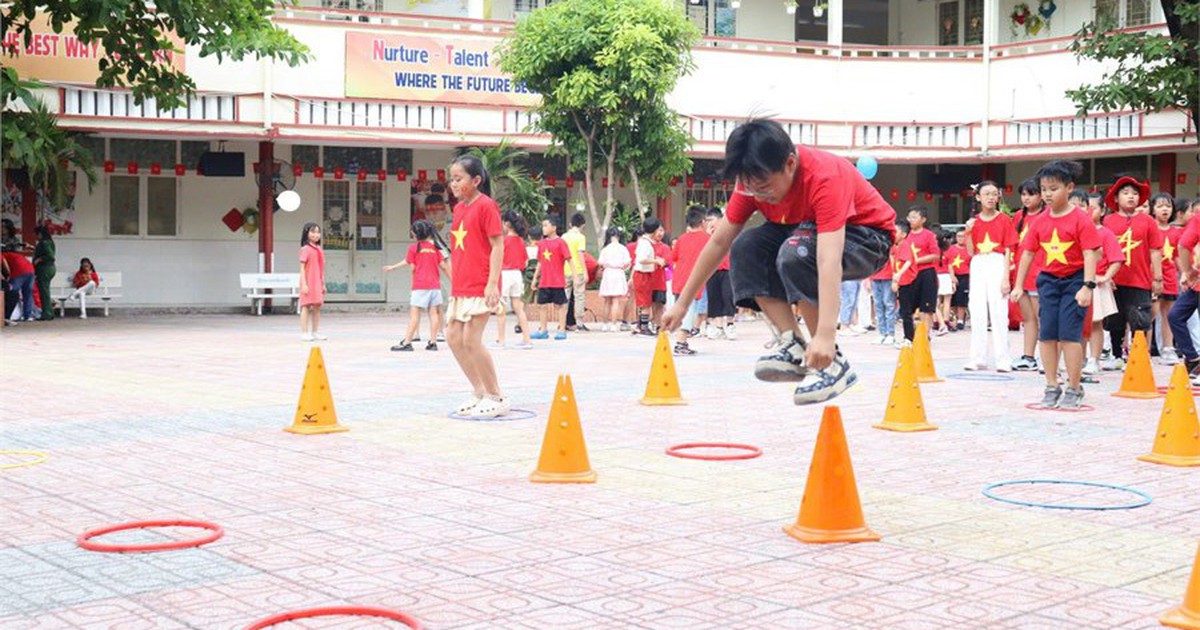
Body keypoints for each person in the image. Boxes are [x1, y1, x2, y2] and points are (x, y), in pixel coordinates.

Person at [662, 118, 895, 405]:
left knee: (796, 253)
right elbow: (720, 242)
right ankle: (793, 342)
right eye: (752, 189)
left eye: (764, 187)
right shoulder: (751, 184)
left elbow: (828, 258)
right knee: (746, 247)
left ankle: (833, 363)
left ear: (790, 164)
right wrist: (682, 303)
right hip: (803, 233)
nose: (759, 196)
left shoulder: (824, 176)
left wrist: (825, 335)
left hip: (868, 238)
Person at [1010, 160, 1101, 410]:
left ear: (1069, 188)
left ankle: (1074, 387)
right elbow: (1027, 253)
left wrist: (1088, 286)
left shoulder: (1081, 219)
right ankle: (1052, 385)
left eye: (1054, 188)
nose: (1048, 194)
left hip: (1075, 281)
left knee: (1069, 336)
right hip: (1048, 282)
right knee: (1047, 335)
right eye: (1044, 189)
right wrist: (1018, 285)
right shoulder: (1039, 221)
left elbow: (1090, 253)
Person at [444, 155, 509, 418]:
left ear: (476, 180)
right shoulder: (459, 209)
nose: (453, 184)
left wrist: (492, 283)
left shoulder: (487, 206)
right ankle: (479, 391)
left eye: (458, 178)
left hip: (482, 283)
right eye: (452, 179)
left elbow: (497, 245)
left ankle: (496, 395)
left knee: (471, 339)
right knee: (453, 337)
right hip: (462, 284)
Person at [1102, 175, 1164, 370]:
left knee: (1140, 319)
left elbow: (1155, 250)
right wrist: (1106, 275)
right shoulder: (1108, 221)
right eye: (1126, 193)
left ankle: (1138, 357)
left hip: (1140, 279)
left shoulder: (1148, 221)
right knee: (1115, 319)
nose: (1131, 197)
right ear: (1116, 197)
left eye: (1135, 194)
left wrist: (1158, 278)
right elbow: (1102, 251)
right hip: (1115, 279)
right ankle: (1116, 355)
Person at [964, 181, 1017, 372]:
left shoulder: (1004, 219)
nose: (991, 197)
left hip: (997, 262)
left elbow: (1009, 248)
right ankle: (977, 358)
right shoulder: (974, 222)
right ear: (978, 197)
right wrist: (968, 232)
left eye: (994, 194)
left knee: (999, 312)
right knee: (977, 309)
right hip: (979, 263)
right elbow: (971, 252)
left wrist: (1006, 277)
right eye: (987, 194)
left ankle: (1003, 359)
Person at [385, 219, 449, 352]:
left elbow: (411, 266)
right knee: (434, 314)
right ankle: (433, 342)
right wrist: (454, 280)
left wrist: (393, 268)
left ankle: (407, 342)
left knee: (414, 315)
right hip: (435, 286)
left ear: (415, 234)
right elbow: (443, 266)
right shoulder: (435, 247)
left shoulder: (413, 248)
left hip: (420, 286)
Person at [1083, 193, 1125, 376]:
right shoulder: (1078, 230)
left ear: (1102, 211)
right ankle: (1079, 358)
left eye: (1094, 208)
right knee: (1078, 323)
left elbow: (1117, 259)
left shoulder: (1106, 233)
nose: (1089, 211)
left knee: (1095, 323)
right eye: (1086, 207)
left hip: (1097, 283)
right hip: (1077, 281)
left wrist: (1106, 277)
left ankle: (1094, 359)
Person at [1006, 178, 1044, 371]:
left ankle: (1046, 358)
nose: (1026, 198)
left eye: (1031, 194)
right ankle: (1028, 357)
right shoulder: (1018, 216)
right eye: (1023, 194)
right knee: (1028, 318)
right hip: (1022, 274)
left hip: (1040, 273)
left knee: (1042, 318)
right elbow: (1012, 245)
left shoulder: (1047, 216)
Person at [671, 207, 711, 356]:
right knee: (689, 313)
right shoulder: (707, 239)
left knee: (683, 311)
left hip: (679, 280)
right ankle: (680, 343)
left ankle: (683, 341)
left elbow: (674, 257)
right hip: (693, 282)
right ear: (702, 221)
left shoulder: (681, 238)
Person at [1169, 198, 1200, 382]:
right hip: (1196, 283)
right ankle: (1193, 358)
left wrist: (1188, 272)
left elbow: (1183, 245)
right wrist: (1187, 272)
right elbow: (1183, 245)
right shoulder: (1197, 220)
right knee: (1175, 316)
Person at [530, 214, 575, 340]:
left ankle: (561, 329)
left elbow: (569, 259)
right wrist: (535, 279)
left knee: (560, 305)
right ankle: (543, 330)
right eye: (543, 226)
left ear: (554, 227)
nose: (543, 228)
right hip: (544, 281)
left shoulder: (561, 243)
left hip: (557, 281)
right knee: (542, 305)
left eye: (546, 225)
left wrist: (575, 276)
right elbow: (539, 262)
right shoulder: (542, 244)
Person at [1151, 192, 1182, 363]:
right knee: (1151, 312)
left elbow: (1177, 256)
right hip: (1152, 277)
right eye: (1160, 206)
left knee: (1169, 314)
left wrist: (1185, 273)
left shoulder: (1175, 232)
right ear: (1153, 209)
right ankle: (1141, 347)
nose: (1165, 209)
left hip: (1170, 277)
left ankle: (1168, 348)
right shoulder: (1150, 229)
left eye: (1168, 206)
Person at [495, 211, 533, 349]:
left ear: (507, 224)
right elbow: (525, 262)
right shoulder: (521, 241)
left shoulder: (503, 241)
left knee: (501, 308)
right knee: (519, 308)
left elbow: (496, 258)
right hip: (517, 275)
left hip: (504, 274)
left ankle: (501, 341)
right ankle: (527, 339)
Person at [904, 206, 941, 339]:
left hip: (926, 273)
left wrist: (915, 261)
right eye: (909, 217)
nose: (911, 220)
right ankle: (910, 335)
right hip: (910, 274)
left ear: (923, 219)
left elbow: (935, 255)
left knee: (927, 306)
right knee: (908, 307)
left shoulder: (929, 235)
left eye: (914, 217)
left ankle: (925, 335)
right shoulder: (905, 235)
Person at [703, 207, 737, 340]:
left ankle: (730, 324)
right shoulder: (706, 235)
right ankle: (718, 326)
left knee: (728, 296)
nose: (709, 223)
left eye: (711, 220)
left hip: (727, 268)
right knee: (714, 297)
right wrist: (707, 235)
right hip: (712, 269)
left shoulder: (728, 230)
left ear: (720, 219)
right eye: (707, 220)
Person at [632, 217, 666, 336]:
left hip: (644, 274)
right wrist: (656, 261)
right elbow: (642, 259)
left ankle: (641, 326)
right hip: (643, 274)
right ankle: (644, 327)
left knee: (644, 302)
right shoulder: (645, 244)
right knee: (645, 302)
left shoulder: (644, 242)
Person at [597, 226, 631, 332]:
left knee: (607, 301)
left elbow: (600, 262)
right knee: (616, 300)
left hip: (608, 273)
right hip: (618, 273)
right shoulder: (623, 248)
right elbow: (627, 262)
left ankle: (604, 324)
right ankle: (613, 324)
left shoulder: (605, 249)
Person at [869, 230, 898, 345]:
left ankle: (890, 333)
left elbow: (894, 261)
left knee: (889, 304)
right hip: (875, 277)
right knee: (878, 305)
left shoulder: (891, 246)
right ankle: (882, 333)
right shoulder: (873, 246)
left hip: (888, 277)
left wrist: (895, 277)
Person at [298, 222, 327, 341]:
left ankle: (315, 332)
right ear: (307, 233)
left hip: (317, 282)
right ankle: (304, 333)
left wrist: (323, 283)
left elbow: (321, 268)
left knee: (317, 307)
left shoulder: (319, 249)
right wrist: (304, 284)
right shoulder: (305, 249)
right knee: (305, 306)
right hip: (308, 282)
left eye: (318, 232)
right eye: (313, 232)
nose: (316, 234)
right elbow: (302, 268)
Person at [891, 220, 917, 346]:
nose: (893, 234)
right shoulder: (897, 246)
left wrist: (899, 274)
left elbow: (908, 261)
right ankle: (911, 335)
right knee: (904, 311)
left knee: (906, 311)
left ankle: (909, 338)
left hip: (908, 282)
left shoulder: (905, 245)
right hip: (902, 282)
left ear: (903, 234)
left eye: (896, 231)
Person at [562, 212, 589, 331]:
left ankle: (562, 321)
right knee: (579, 297)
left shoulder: (564, 237)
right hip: (578, 271)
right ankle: (579, 323)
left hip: (565, 270)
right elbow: (580, 255)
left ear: (570, 224)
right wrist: (585, 272)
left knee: (565, 297)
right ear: (583, 225)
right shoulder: (581, 237)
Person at [946, 229, 971, 330]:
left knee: (962, 298)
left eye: (963, 236)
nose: (961, 238)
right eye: (959, 236)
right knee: (953, 298)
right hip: (952, 275)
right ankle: (955, 318)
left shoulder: (969, 249)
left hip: (965, 276)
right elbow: (948, 263)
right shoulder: (951, 249)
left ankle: (961, 320)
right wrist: (952, 276)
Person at [32, 225, 55, 321]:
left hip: (44, 269)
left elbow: (50, 256)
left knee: (44, 292)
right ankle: (49, 312)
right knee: (45, 291)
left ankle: (46, 314)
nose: (35, 236)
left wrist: (39, 259)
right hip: (48, 268)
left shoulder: (44, 243)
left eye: (36, 234)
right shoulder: (49, 242)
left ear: (40, 234)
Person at [934, 229, 954, 335]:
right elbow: (950, 266)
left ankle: (936, 321)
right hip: (946, 276)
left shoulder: (933, 250)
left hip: (935, 275)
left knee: (935, 301)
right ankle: (946, 320)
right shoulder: (949, 250)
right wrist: (953, 279)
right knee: (947, 300)